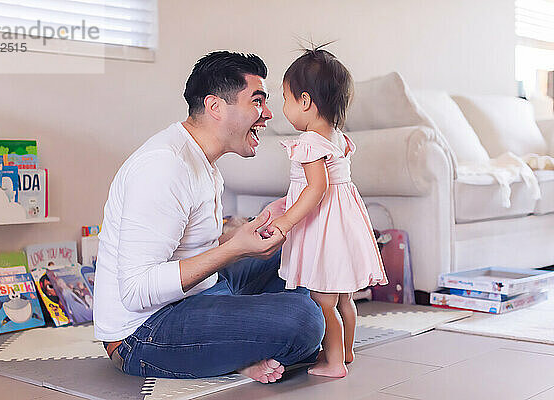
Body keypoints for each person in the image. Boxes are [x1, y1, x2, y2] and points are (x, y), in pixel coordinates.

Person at [93, 51, 325, 383]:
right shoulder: (164, 166)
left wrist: (244, 228)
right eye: (257, 101)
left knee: (296, 244)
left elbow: (192, 242)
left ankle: (237, 346)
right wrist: (234, 249)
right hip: (143, 332)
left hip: (201, 292)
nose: (268, 113)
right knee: (305, 321)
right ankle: (242, 348)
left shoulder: (201, 158)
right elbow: (136, 289)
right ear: (215, 107)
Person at [265, 47, 388, 378]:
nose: (284, 108)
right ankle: (347, 351)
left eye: (286, 99)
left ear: (305, 102)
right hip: (345, 223)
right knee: (344, 296)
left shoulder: (309, 142)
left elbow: (316, 188)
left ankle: (332, 362)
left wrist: (287, 220)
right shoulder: (339, 138)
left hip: (323, 228)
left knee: (322, 299)